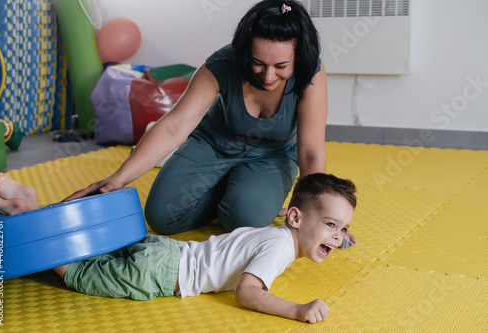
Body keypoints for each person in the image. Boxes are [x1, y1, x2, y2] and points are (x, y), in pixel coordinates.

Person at [64, 0, 360, 244]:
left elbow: (310, 152)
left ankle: (241, 195)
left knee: (243, 223)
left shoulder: (311, 73)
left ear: (298, 57)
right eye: (258, 63)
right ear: (245, 51)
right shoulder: (221, 64)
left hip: (272, 155)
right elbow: (174, 126)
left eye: (281, 66)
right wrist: (117, 179)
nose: (268, 76)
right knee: (162, 218)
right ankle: (229, 189)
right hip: (214, 145)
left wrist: (321, 218)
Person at [0, 172, 356, 324]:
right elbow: (248, 292)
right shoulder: (279, 251)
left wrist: (330, 235)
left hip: (167, 251)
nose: (336, 237)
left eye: (342, 230)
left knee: (90, 248)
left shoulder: (277, 232)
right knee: (80, 273)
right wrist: (297, 309)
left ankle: (30, 202)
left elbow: (317, 230)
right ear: (294, 217)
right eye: (330, 225)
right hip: (162, 275)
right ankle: (27, 211)